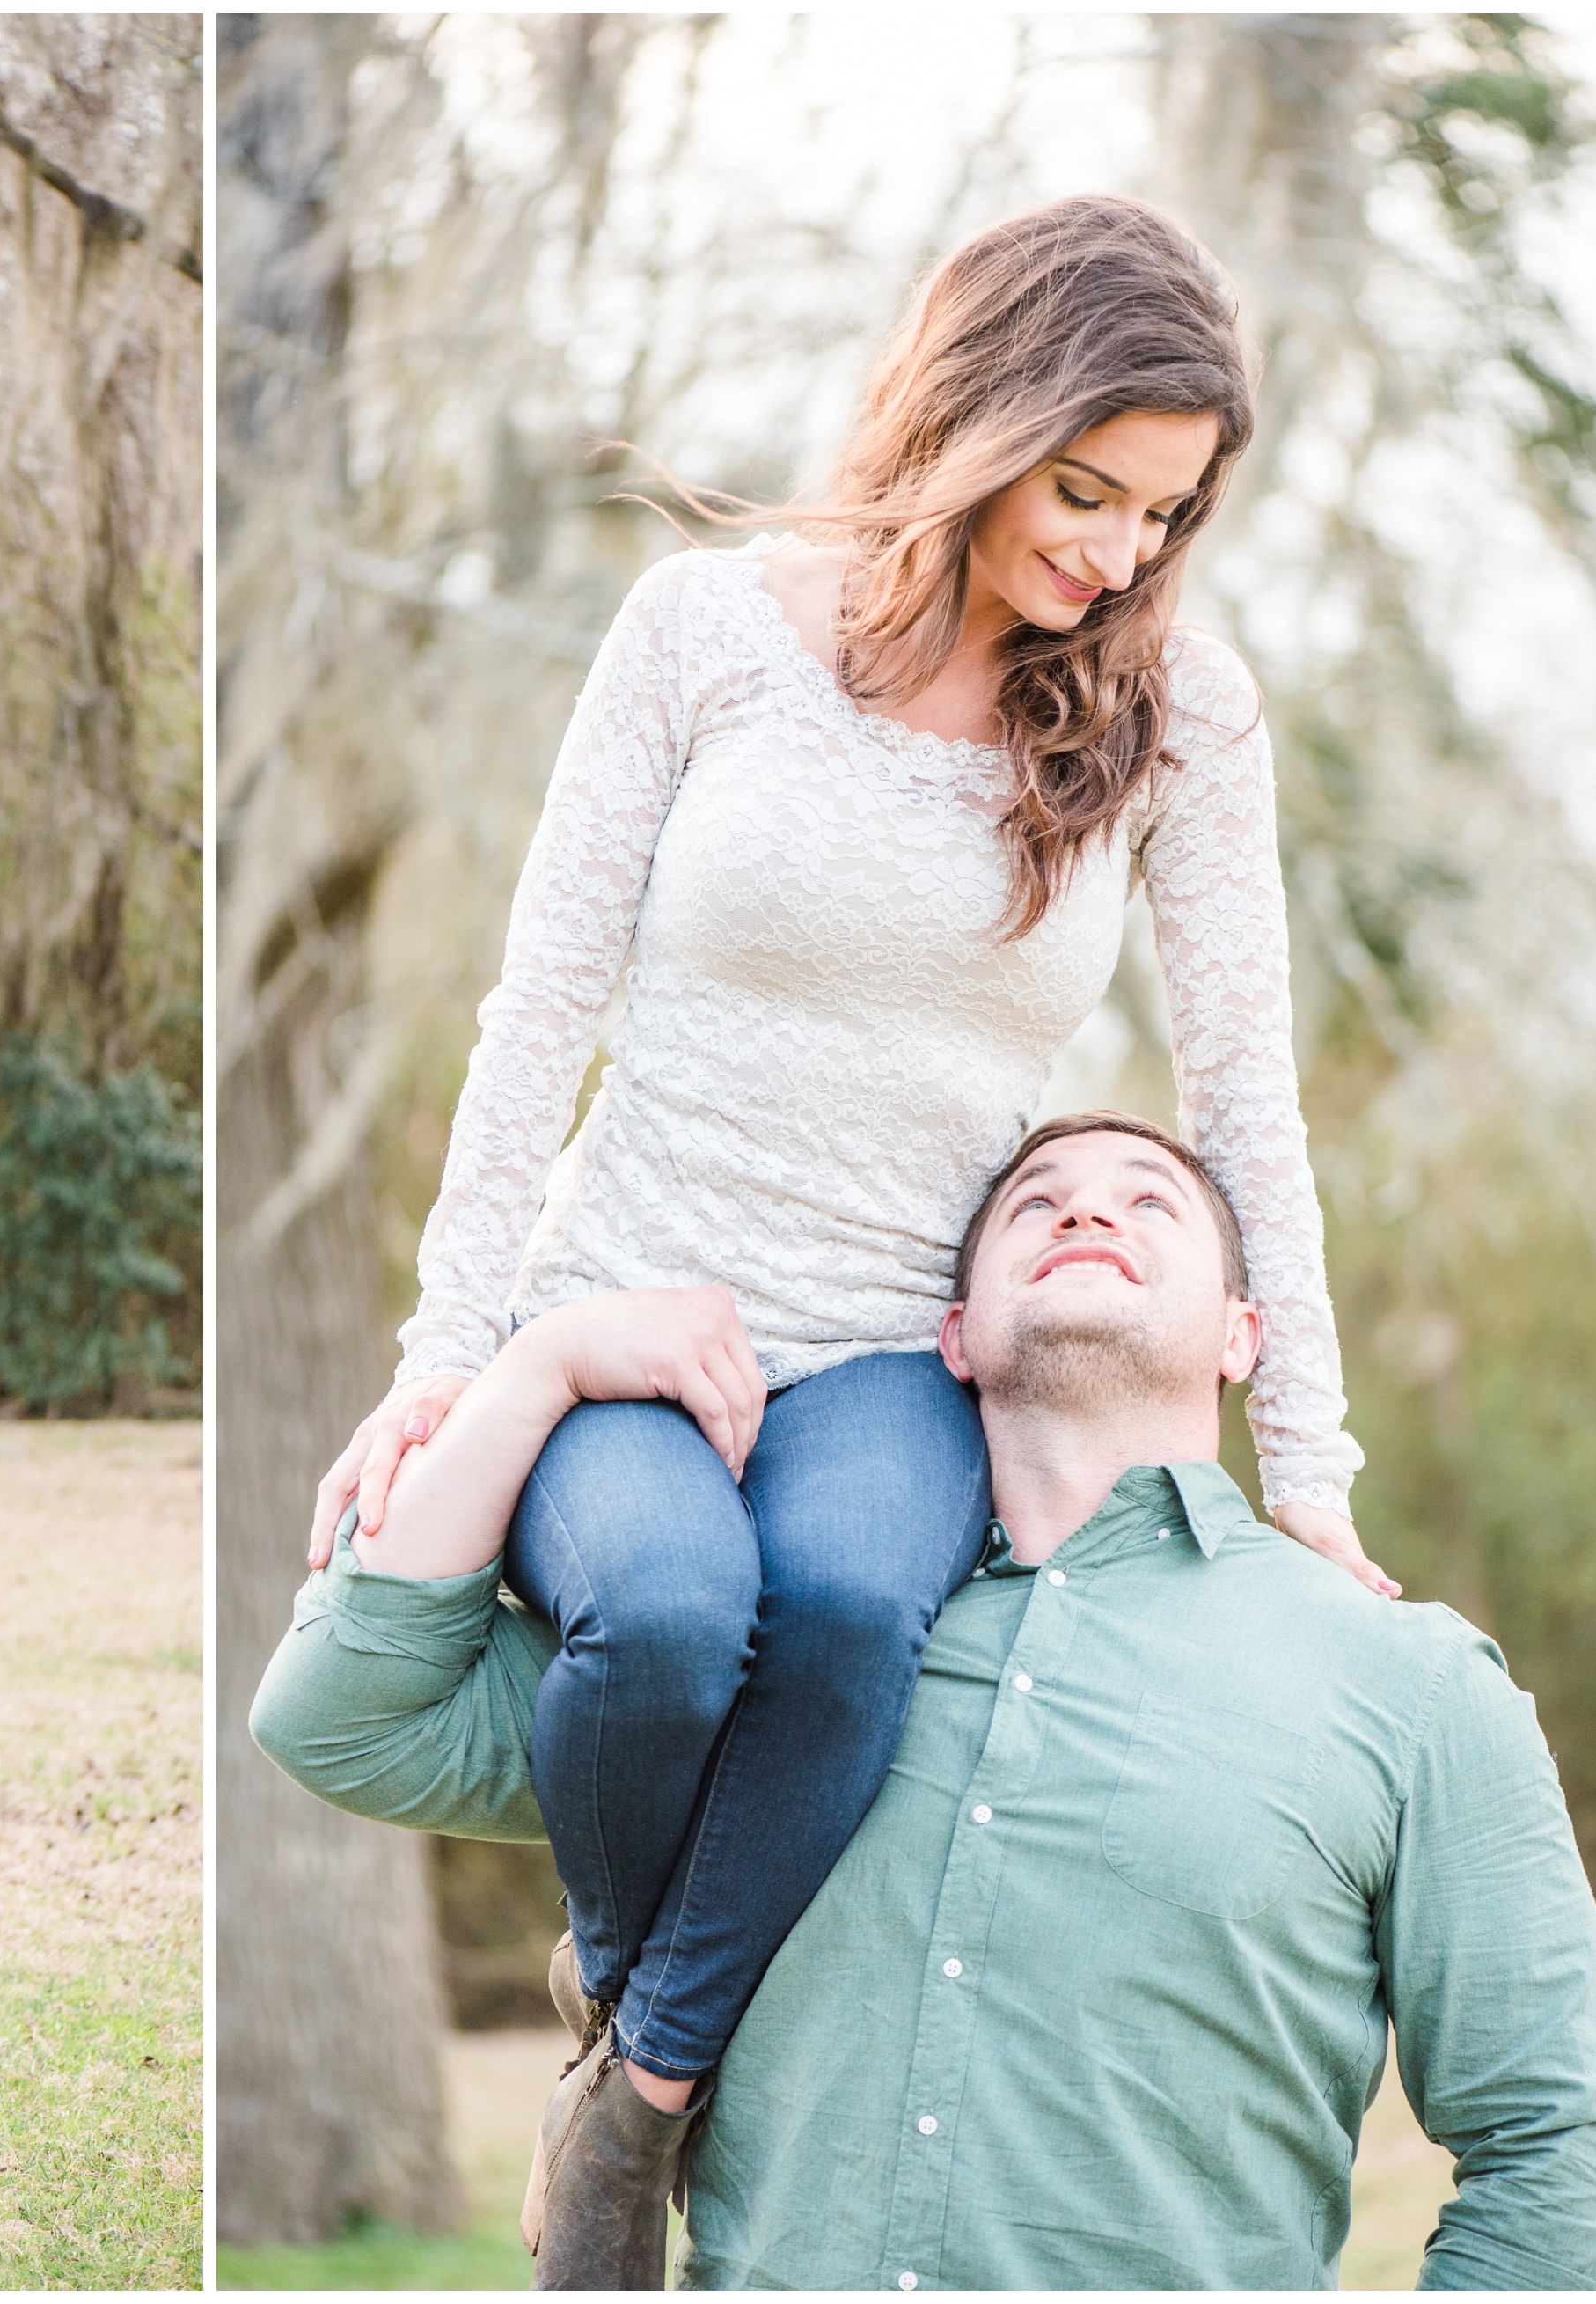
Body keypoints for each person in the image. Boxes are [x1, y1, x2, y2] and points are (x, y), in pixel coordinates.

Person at [297, 194, 1395, 2274]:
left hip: (899, 1346)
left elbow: (1249, 1106)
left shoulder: (1183, 715)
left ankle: (639, 2091)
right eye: (1087, 491)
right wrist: (454, 1355)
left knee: (843, 1617)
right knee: (668, 1618)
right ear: (975, 414)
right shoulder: (700, 631)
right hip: (627, 1299)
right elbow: (537, 1013)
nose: (1120, 555)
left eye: (1164, 517)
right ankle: (636, 1995)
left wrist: (1311, 1476)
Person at [253, 1115, 1596, 2290]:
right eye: (1035, 1202)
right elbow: (341, 1718)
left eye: (1147, 1199)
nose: (1087, 1206)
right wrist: (535, 1368)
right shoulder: (767, 1652)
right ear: (956, 1335)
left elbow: (1554, 2150)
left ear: (1244, 1333)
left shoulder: (1406, 1684)